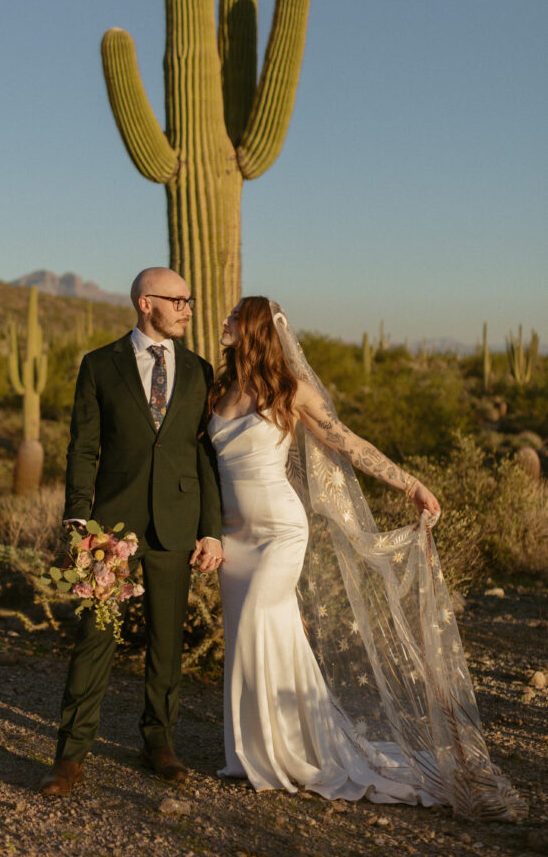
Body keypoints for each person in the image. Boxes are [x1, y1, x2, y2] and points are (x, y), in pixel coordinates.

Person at [207, 296, 525, 820]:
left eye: (234, 317)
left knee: (265, 619)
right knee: (252, 631)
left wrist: (411, 483)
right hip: (234, 536)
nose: (224, 322)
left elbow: (349, 443)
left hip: (281, 531)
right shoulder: (220, 389)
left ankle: (296, 754)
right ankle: (258, 752)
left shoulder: (292, 390)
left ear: (257, 327)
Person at [39, 267, 223, 796]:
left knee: (166, 643)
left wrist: (210, 529)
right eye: (178, 300)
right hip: (111, 528)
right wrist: (78, 516)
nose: (188, 308)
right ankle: (70, 756)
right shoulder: (100, 365)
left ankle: (157, 743)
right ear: (147, 303)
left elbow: (203, 453)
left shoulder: (198, 369)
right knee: (95, 640)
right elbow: (84, 447)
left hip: (177, 525)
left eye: (190, 300)